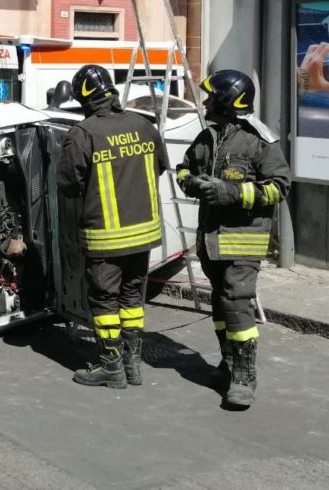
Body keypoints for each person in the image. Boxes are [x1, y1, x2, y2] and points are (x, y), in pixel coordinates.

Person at [176, 70, 291, 408]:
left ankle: (244, 377)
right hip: (211, 240)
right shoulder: (208, 137)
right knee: (221, 302)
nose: (207, 101)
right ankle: (228, 364)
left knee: (237, 302)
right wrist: (193, 183)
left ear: (228, 100)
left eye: (213, 96)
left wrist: (229, 191)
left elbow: (279, 187)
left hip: (242, 241)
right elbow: (184, 169)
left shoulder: (259, 141)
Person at [58, 65, 169, 389]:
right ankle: (133, 365)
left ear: (85, 98)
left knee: (105, 301)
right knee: (132, 297)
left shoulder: (84, 133)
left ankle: (111, 367)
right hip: (144, 234)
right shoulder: (145, 125)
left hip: (106, 237)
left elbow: (67, 184)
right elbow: (160, 166)